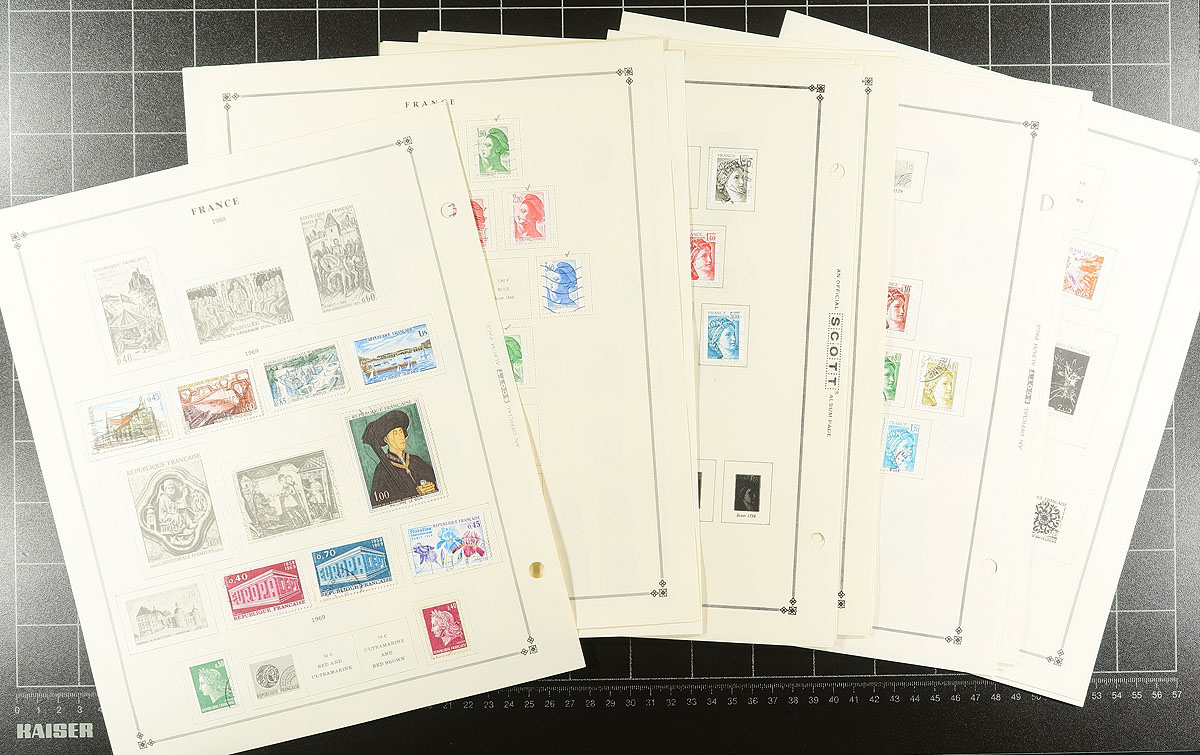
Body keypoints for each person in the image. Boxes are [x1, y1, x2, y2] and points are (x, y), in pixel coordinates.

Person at [361, 409, 438, 507]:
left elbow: (436, 480)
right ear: (386, 439)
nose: (401, 437)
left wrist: (431, 486)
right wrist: (415, 494)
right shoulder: (382, 470)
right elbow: (380, 503)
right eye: (395, 433)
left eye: (401, 432)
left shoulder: (416, 460)